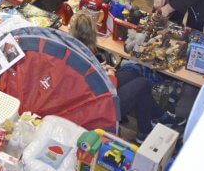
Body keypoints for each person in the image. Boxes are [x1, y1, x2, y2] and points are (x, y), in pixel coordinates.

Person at [68, 13, 162, 143]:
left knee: (132, 74)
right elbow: (105, 89)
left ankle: (155, 117)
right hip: (99, 108)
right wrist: (110, 75)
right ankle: (147, 129)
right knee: (143, 84)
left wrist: (101, 68)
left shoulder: (74, 51)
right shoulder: (85, 54)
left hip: (92, 97)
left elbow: (87, 77)